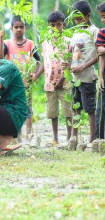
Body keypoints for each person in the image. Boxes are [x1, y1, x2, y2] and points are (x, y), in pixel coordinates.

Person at [32, 11, 73, 146]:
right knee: (52, 111)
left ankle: (69, 137)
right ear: (48, 26)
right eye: (52, 25)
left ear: (63, 25)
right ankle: (55, 138)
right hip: (50, 84)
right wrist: (37, 75)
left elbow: (70, 62)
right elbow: (45, 62)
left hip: (65, 83)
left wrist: (61, 80)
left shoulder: (68, 41)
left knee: (68, 110)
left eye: (58, 25)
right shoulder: (46, 42)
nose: (56, 28)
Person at [0, 16, 41, 140]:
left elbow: (39, 61)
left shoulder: (30, 44)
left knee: (27, 108)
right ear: (11, 28)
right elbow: (0, 58)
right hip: (11, 84)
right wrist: (0, 39)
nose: (18, 29)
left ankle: (29, 134)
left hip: (26, 83)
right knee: (13, 109)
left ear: (25, 28)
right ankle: (17, 134)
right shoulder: (7, 43)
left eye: (21, 27)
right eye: (16, 27)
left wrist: (35, 75)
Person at [65, 1, 98, 143]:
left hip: (87, 78)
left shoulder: (93, 31)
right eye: (75, 19)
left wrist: (83, 66)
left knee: (90, 109)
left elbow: (98, 54)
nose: (77, 22)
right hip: (74, 78)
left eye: (79, 19)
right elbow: (71, 52)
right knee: (75, 107)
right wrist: (66, 64)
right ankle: (74, 137)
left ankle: (92, 139)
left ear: (88, 15)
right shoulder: (75, 32)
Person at [94, 2, 105, 141]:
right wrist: (101, 75)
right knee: (101, 109)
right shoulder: (102, 32)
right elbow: (101, 55)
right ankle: (99, 139)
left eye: (104, 16)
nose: (102, 20)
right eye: (101, 17)